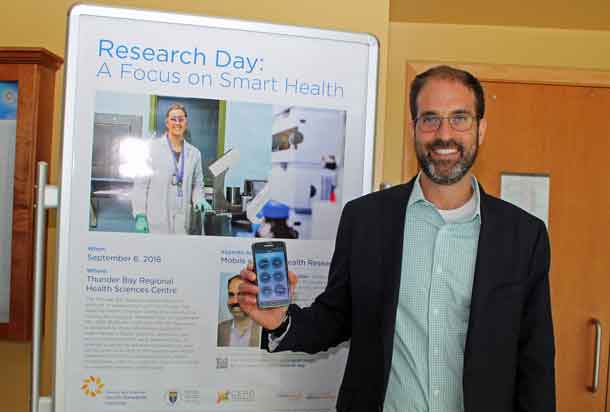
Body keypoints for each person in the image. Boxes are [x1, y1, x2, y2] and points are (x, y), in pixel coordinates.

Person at [238, 66, 555, 412]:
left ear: (480, 129)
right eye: (430, 119)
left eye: (459, 118)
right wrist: (282, 321)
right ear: (413, 129)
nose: (444, 134)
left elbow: (535, 362)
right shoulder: (365, 220)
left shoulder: (524, 236)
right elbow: (335, 317)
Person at [131, 103, 211, 234]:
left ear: (186, 122)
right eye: (173, 119)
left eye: (181, 119)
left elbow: (197, 184)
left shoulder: (194, 153)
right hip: (156, 219)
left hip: (182, 220)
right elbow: (140, 185)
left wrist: (199, 199)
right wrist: (140, 215)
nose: (177, 123)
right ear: (167, 123)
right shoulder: (152, 149)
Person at [217, 275, 261, 347]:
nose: (235, 301)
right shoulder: (219, 329)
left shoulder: (263, 330)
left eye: (242, 295)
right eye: (231, 295)